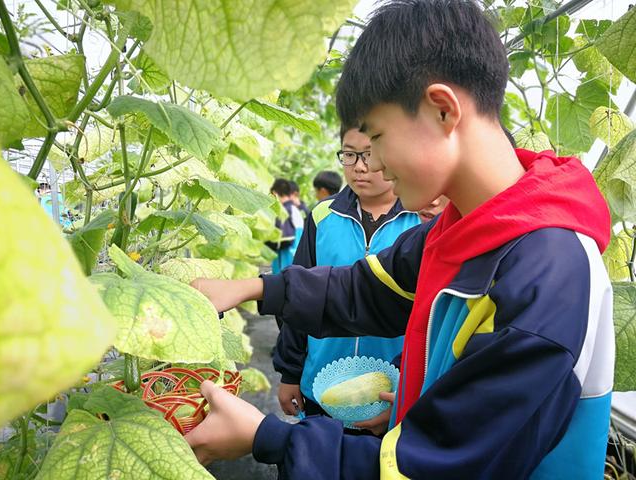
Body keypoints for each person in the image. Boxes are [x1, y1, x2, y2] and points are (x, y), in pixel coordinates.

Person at [187, 1, 613, 478]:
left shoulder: (549, 276)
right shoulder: (463, 229)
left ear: (442, 109)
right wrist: (255, 288)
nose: (374, 165)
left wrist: (266, 437)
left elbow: (440, 463)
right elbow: (366, 289)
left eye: (378, 138)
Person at [274, 126, 421, 431]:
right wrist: (290, 372)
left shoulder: (421, 215)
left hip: (391, 388)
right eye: (350, 155)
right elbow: (300, 294)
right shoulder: (321, 216)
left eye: (369, 154)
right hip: (321, 383)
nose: (360, 167)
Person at [267, 178, 304, 274]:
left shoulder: (283, 211)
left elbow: (281, 239)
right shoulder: (295, 209)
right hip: (296, 256)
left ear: (274, 193)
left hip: (285, 259)